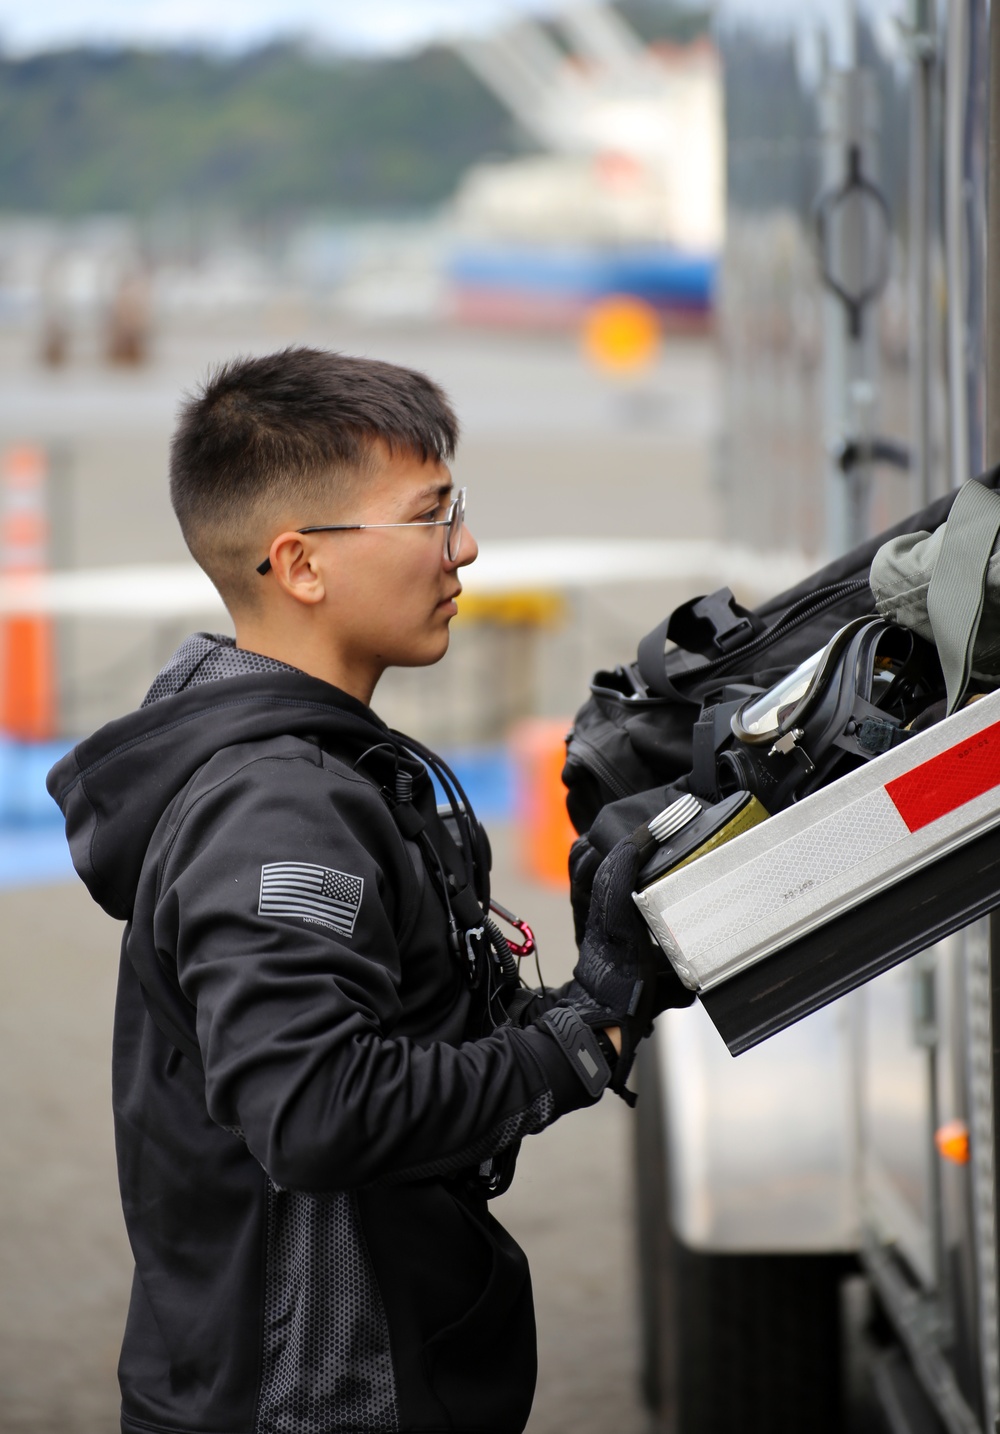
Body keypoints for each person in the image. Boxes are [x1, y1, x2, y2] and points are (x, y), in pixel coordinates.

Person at [47, 346, 692, 1434]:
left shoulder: (302, 764)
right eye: (431, 516)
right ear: (301, 565)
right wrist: (580, 1044)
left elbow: (380, 1054)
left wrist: (603, 995)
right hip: (323, 1398)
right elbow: (319, 1111)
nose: (466, 549)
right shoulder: (278, 806)